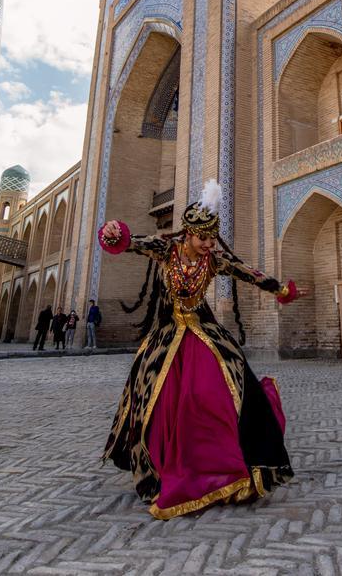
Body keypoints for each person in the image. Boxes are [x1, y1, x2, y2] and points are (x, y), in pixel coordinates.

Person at [97, 179, 300, 519]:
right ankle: (167, 468)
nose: (208, 244)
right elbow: (131, 243)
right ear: (188, 234)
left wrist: (282, 291)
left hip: (203, 332)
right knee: (159, 402)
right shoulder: (166, 250)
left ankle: (221, 467)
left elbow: (247, 272)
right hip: (166, 336)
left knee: (218, 393)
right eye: (202, 238)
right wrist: (116, 233)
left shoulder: (214, 260)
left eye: (211, 238)